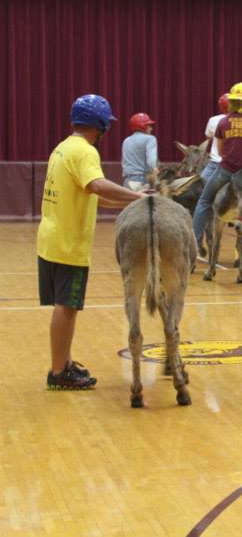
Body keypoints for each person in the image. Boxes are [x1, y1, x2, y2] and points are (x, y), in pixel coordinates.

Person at [39, 94, 147, 390]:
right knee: (67, 306)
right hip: (68, 243)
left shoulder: (63, 147)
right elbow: (97, 184)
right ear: (100, 125)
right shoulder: (85, 152)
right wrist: (138, 196)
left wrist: (128, 204)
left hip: (51, 237)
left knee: (64, 306)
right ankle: (59, 372)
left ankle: (64, 362)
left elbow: (91, 195)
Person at [192, 82, 242, 252]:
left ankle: (195, 241)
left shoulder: (223, 122)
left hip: (226, 170)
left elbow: (220, 149)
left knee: (204, 201)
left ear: (232, 101)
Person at [121, 112, 158, 191]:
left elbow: (123, 161)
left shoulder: (126, 140)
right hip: (142, 181)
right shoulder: (150, 139)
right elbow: (151, 160)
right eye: (149, 126)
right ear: (143, 126)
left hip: (127, 181)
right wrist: (155, 168)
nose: (151, 128)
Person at [201, 93, 230, 183]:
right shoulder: (240, 120)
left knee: (200, 185)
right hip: (234, 164)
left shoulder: (213, 120)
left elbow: (208, 137)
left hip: (215, 162)